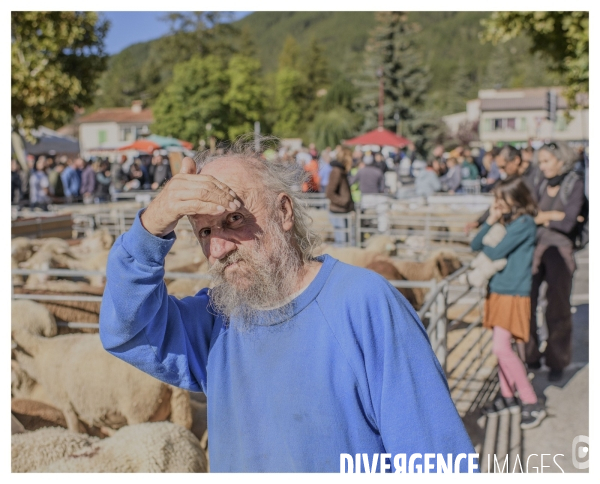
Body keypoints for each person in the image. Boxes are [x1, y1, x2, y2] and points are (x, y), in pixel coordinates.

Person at [99, 140, 477, 472]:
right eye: (205, 232)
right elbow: (126, 331)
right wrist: (151, 228)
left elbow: (435, 457)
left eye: (234, 219)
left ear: (283, 212)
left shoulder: (364, 304)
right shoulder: (219, 322)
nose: (219, 249)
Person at [471, 177, 546, 429]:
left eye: (501, 198)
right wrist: (490, 220)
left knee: (502, 348)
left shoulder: (524, 224)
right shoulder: (511, 221)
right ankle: (507, 396)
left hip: (513, 292)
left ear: (515, 197)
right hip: (500, 290)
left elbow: (493, 251)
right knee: (502, 348)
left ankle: (531, 400)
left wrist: (491, 225)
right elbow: (475, 244)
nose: (497, 203)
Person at [526, 142, 585, 382]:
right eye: (541, 162)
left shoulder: (574, 183)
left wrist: (545, 217)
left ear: (561, 161)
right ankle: (530, 356)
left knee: (557, 309)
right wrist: (553, 217)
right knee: (526, 305)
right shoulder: (539, 183)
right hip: (535, 248)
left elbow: (569, 222)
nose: (542, 166)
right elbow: (529, 214)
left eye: (547, 161)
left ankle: (557, 360)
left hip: (560, 251)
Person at [349, 154, 388, 233]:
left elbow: (351, 182)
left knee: (361, 216)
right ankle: (382, 231)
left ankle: (361, 231)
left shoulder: (361, 171)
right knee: (381, 214)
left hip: (364, 198)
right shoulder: (378, 171)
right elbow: (382, 187)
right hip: (376, 197)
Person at [326, 147, 355, 247]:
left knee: (345, 241)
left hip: (342, 211)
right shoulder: (337, 171)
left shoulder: (341, 171)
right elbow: (329, 193)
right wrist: (344, 201)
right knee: (341, 243)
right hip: (338, 211)